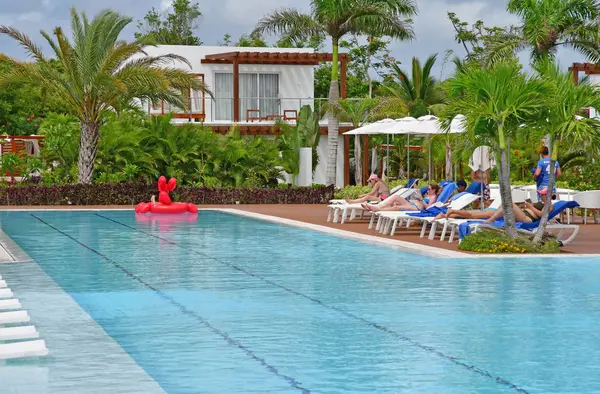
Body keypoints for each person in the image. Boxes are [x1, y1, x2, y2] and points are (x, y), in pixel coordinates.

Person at [363, 183, 440, 212]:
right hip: (412, 203)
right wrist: (414, 199)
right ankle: (377, 206)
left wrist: (422, 199)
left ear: (434, 190)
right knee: (396, 197)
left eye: (429, 189)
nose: (428, 190)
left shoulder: (433, 197)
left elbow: (429, 208)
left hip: (417, 207)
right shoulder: (428, 195)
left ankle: (377, 209)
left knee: (396, 207)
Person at [484, 201, 550, 224]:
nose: (541, 195)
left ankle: (492, 219)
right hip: (524, 214)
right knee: (504, 203)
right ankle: (494, 216)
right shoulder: (542, 202)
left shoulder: (549, 205)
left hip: (528, 218)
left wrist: (531, 207)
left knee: (510, 204)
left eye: (543, 194)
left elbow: (542, 215)